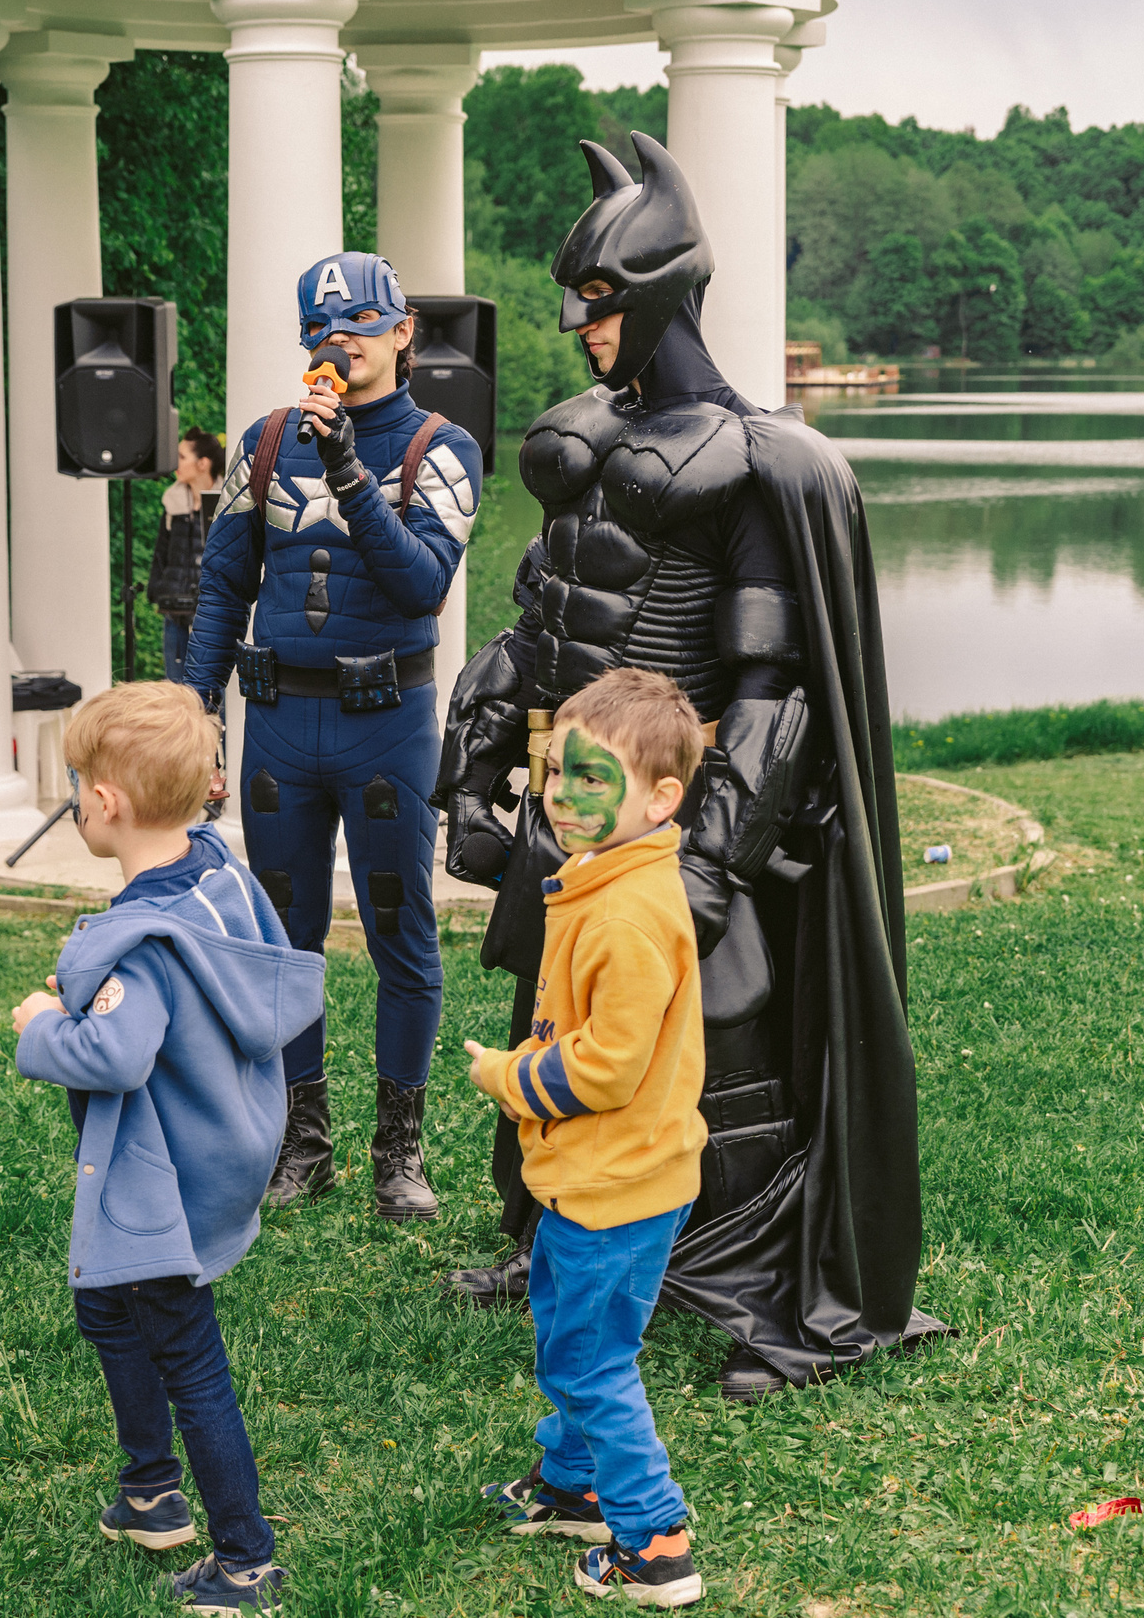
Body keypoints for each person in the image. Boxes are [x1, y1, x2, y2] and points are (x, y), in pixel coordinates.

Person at [433, 134, 940, 1402]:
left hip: (682, 800)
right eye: (575, 299)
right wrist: (475, 762)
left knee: (722, 1047)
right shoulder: (579, 440)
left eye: (599, 299)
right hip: (575, 790)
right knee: (552, 1014)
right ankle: (552, 1231)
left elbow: (779, 686)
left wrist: (707, 854)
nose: (579, 325)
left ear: (663, 287)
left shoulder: (763, 463)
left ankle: (770, 1297)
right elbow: (537, 622)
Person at [10, 681, 324, 1616]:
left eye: (76, 782)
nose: (73, 797)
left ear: (103, 801)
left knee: (190, 1357)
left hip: (162, 1182)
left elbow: (115, 1051)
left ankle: (245, 1560)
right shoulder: (222, 875)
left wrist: (41, 1023)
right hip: (228, 1147)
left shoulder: (138, 943)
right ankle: (150, 1493)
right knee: (107, 1308)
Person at [181, 251, 482, 1222]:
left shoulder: (442, 447)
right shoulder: (264, 443)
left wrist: (350, 465)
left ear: (404, 333)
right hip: (279, 725)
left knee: (401, 931)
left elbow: (420, 584)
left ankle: (399, 1152)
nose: (336, 342)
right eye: (320, 328)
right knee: (279, 940)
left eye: (358, 323)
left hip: (385, 725)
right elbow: (223, 584)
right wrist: (197, 714)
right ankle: (299, 1142)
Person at [465, 669, 710, 1609]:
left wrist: (508, 1077)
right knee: (565, 1329)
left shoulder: (625, 911)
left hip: (621, 1186)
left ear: (659, 798)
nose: (563, 795)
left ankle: (654, 1540)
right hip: (595, 1182)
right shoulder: (608, 877)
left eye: (591, 778)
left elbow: (606, 1067)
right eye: (556, 772)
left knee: (592, 1358)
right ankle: (572, 1485)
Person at [147, 428, 225, 678]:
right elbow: (162, 552)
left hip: (211, 613)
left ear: (203, 463)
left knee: (212, 691)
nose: (175, 464)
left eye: (181, 457)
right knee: (175, 686)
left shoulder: (228, 501)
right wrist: (159, 590)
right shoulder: (173, 501)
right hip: (175, 611)